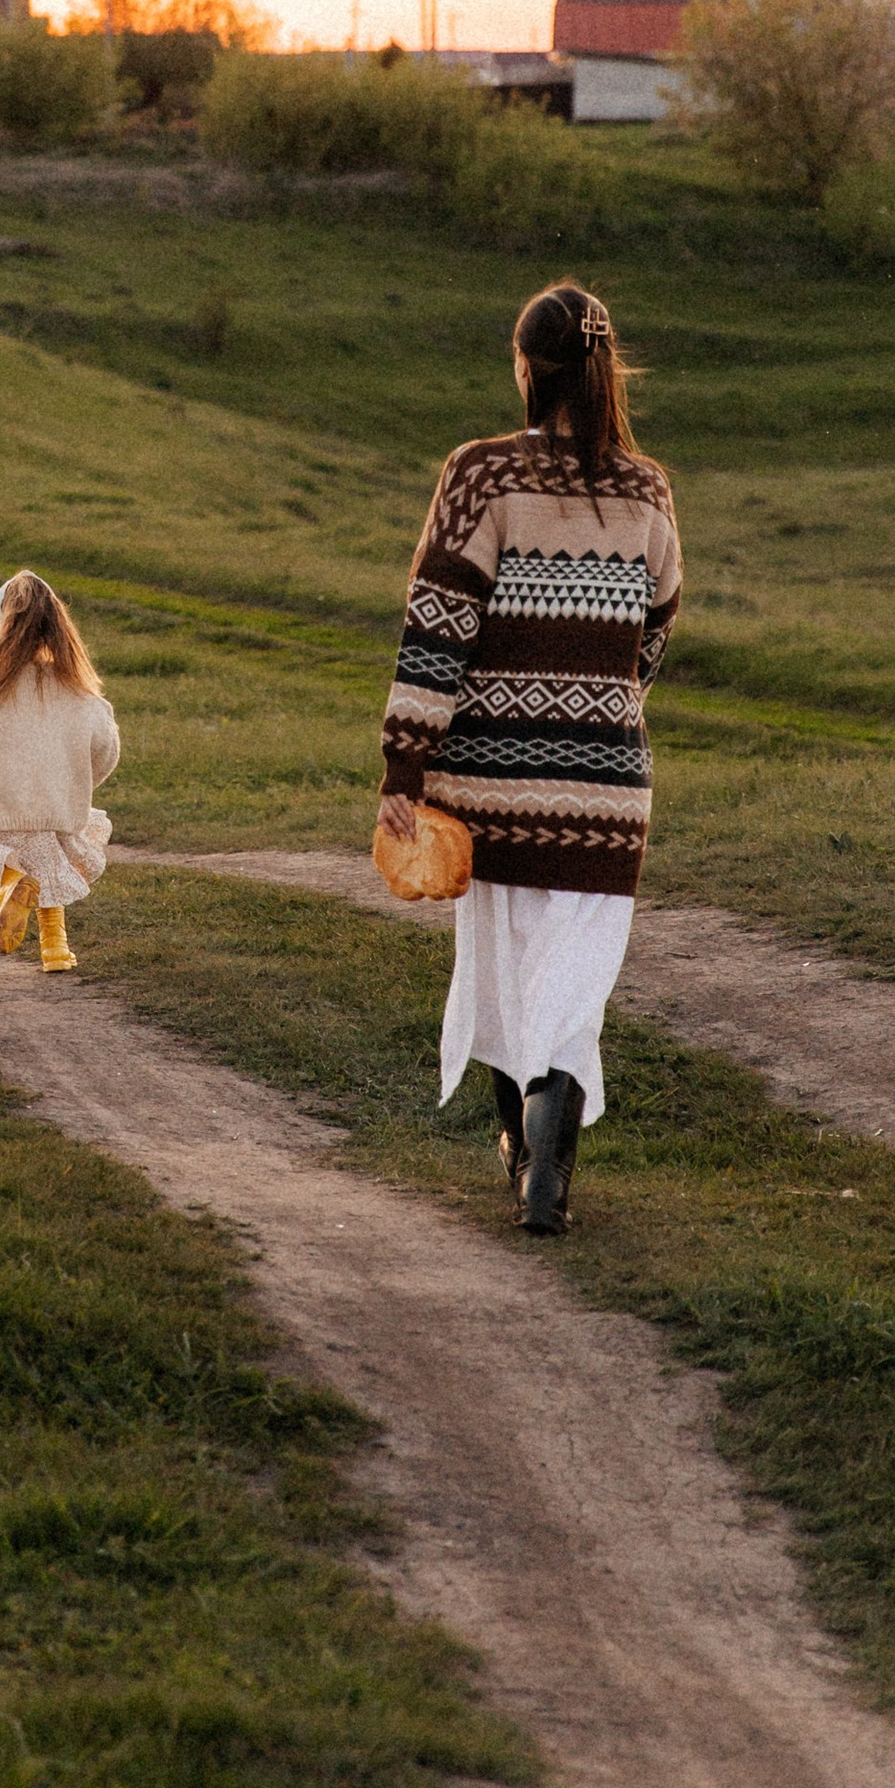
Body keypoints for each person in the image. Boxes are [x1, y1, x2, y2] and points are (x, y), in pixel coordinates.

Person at [375, 282, 681, 1233]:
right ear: (602, 371)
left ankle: (525, 1160)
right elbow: (657, 623)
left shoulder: (481, 475)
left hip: (490, 787)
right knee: (569, 987)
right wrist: (599, 705)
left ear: (523, 368)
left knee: (507, 978)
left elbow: (438, 630)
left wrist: (403, 765)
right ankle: (545, 1176)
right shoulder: (646, 489)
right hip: (607, 792)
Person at [0, 571, 121, 973]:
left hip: (0, 805)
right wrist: (80, 781)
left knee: (4, 861)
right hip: (57, 807)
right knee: (52, 877)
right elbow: (106, 745)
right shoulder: (77, 688)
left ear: (2, 623)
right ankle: (54, 952)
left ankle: (11, 889)